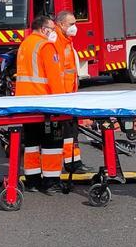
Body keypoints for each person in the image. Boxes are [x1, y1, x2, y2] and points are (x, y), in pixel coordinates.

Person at [15, 14, 66, 192]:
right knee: (51, 142)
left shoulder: (25, 44)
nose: (53, 32)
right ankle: (51, 182)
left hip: (25, 101)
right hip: (43, 101)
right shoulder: (45, 45)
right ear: (44, 29)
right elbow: (54, 78)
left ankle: (33, 180)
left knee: (31, 142)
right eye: (52, 29)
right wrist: (62, 102)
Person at [53, 10, 94, 174]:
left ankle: (73, 163)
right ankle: (70, 164)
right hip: (62, 96)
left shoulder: (66, 40)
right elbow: (56, 71)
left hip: (68, 95)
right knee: (66, 133)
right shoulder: (56, 40)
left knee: (71, 132)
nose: (75, 27)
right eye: (71, 24)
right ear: (61, 24)